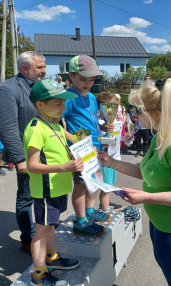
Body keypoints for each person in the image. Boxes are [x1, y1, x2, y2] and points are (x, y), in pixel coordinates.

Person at [98, 78, 171, 286]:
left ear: (156, 113)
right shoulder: (162, 136)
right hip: (163, 222)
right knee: (168, 269)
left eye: (137, 112)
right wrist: (111, 162)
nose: (134, 116)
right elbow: (145, 171)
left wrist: (145, 197)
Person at [24, 79, 81, 285]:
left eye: (64, 104)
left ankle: (51, 257)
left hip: (58, 187)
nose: (63, 108)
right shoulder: (36, 128)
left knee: (50, 226)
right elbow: (32, 165)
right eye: (58, 104)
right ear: (40, 104)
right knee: (41, 229)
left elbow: (73, 139)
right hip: (47, 189)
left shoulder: (54, 123)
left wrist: (86, 143)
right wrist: (64, 167)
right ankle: (38, 273)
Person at [0, 51, 46, 254]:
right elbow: (7, 127)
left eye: (44, 67)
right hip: (27, 155)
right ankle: (28, 238)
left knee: (46, 195)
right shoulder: (7, 89)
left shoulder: (41, 87)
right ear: (25, 68)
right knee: (26, 197)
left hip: (48, 153)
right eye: (39, 67)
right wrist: (20, 159)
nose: (44, 71)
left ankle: (44, 230)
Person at [62, 54, 113, 235]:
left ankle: (89, 212)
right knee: (81, 185)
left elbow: (93, 119)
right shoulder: (68, 97)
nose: (87, 83)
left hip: (95, 148)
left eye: (91, 80)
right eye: (83, 79)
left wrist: (104, 125)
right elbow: (56, 125)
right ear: (71, 76)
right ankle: (81, 221)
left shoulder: (91, 97)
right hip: (81, 150)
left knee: (94, 180)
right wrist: (75, 141)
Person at [96, 92, 123, 212]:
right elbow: (98, 141)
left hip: (114, 157)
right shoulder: (99, 123)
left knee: (110, 184)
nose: (113, 111)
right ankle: (104, 209)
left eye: (115, 107)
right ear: (100, 108)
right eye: (108, 108)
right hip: (105, 160)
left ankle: (106, 203)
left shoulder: (115, 120)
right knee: (106, 186)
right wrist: (105, 136)